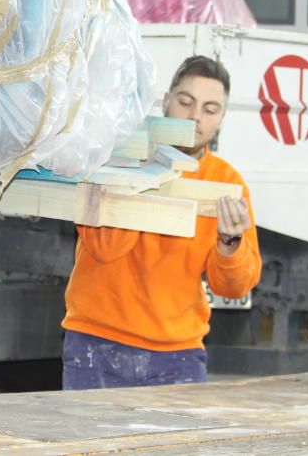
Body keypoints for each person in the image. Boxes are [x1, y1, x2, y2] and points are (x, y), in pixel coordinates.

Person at [61, 55, 261, 389]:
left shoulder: (226, 183)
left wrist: (230, 243)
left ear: (221, 119)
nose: (195, 117)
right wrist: (143, 177)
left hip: (178, 355)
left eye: (210, 109)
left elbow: (234, 286)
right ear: (166, 102)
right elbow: (104, 249)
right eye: (186, 102)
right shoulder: (113, 161)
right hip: (97, 343)